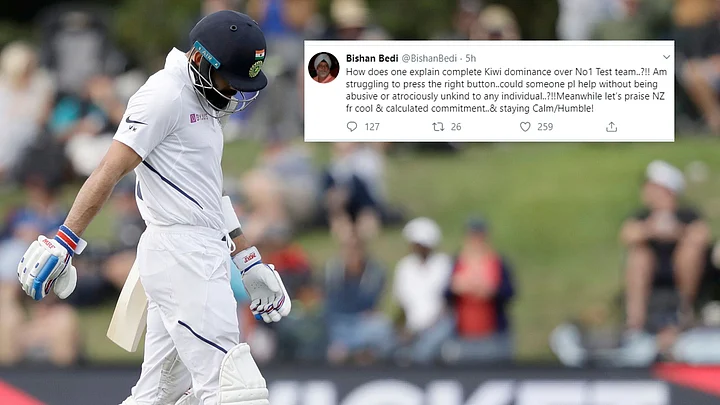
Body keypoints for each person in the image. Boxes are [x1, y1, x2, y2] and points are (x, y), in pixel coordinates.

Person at [16, 10, 291, 405]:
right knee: (236, 391)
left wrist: (248, 260)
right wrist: (64, 241)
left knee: (159, 396)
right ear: (201, 59)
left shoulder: (204, 103)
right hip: (182, 257)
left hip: (195, 253)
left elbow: (208, 195)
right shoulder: (165, 95)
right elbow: (109, 170)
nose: (233, 92)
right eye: (228, 80)